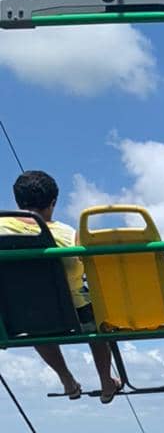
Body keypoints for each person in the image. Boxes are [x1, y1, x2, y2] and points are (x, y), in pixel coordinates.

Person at [0, 171, 121, 402]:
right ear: (53, 202)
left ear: (17, 201)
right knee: (97, 324)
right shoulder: (69, 235)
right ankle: (106, 381)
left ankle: (66, 379)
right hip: (71, 314)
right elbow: (82, 272)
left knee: (34, 322)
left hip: (16, 316)